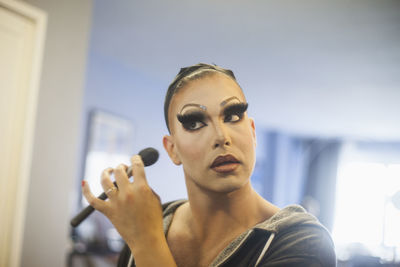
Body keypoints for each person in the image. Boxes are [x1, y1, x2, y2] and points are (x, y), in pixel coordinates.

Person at [82, 63, 337, 267]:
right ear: (172, 149)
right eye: (194, 123)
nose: (221, 136)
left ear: (252, 132)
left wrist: (148, 243)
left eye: (233, 116)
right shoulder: (150, 223)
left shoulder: (301, 241)